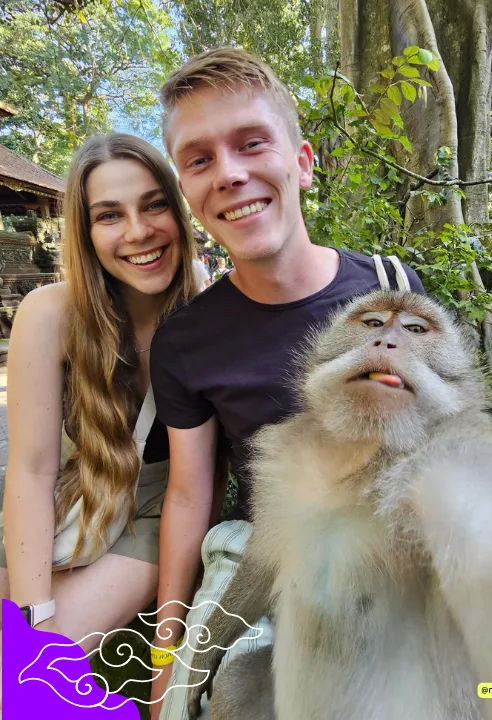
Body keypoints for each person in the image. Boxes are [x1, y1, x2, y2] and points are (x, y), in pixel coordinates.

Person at [145, 47, 428, 718]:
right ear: (187, 190)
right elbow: (188, 500)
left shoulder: (390, 289)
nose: (230, 174)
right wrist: (165, 665)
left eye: (251, 144)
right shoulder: (186, 340)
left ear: (301, 165)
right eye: (200, 159)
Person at [0, 135, 201, 661]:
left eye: (154, 204)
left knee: (34, 670)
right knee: (19, 651)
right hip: (75, 499)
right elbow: (31, 471)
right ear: (86, 234)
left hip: (156, 511)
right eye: (109, 215)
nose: (138, 231)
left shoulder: (207, 309)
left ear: (179, 213)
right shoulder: (50, 315)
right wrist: (33, 613)